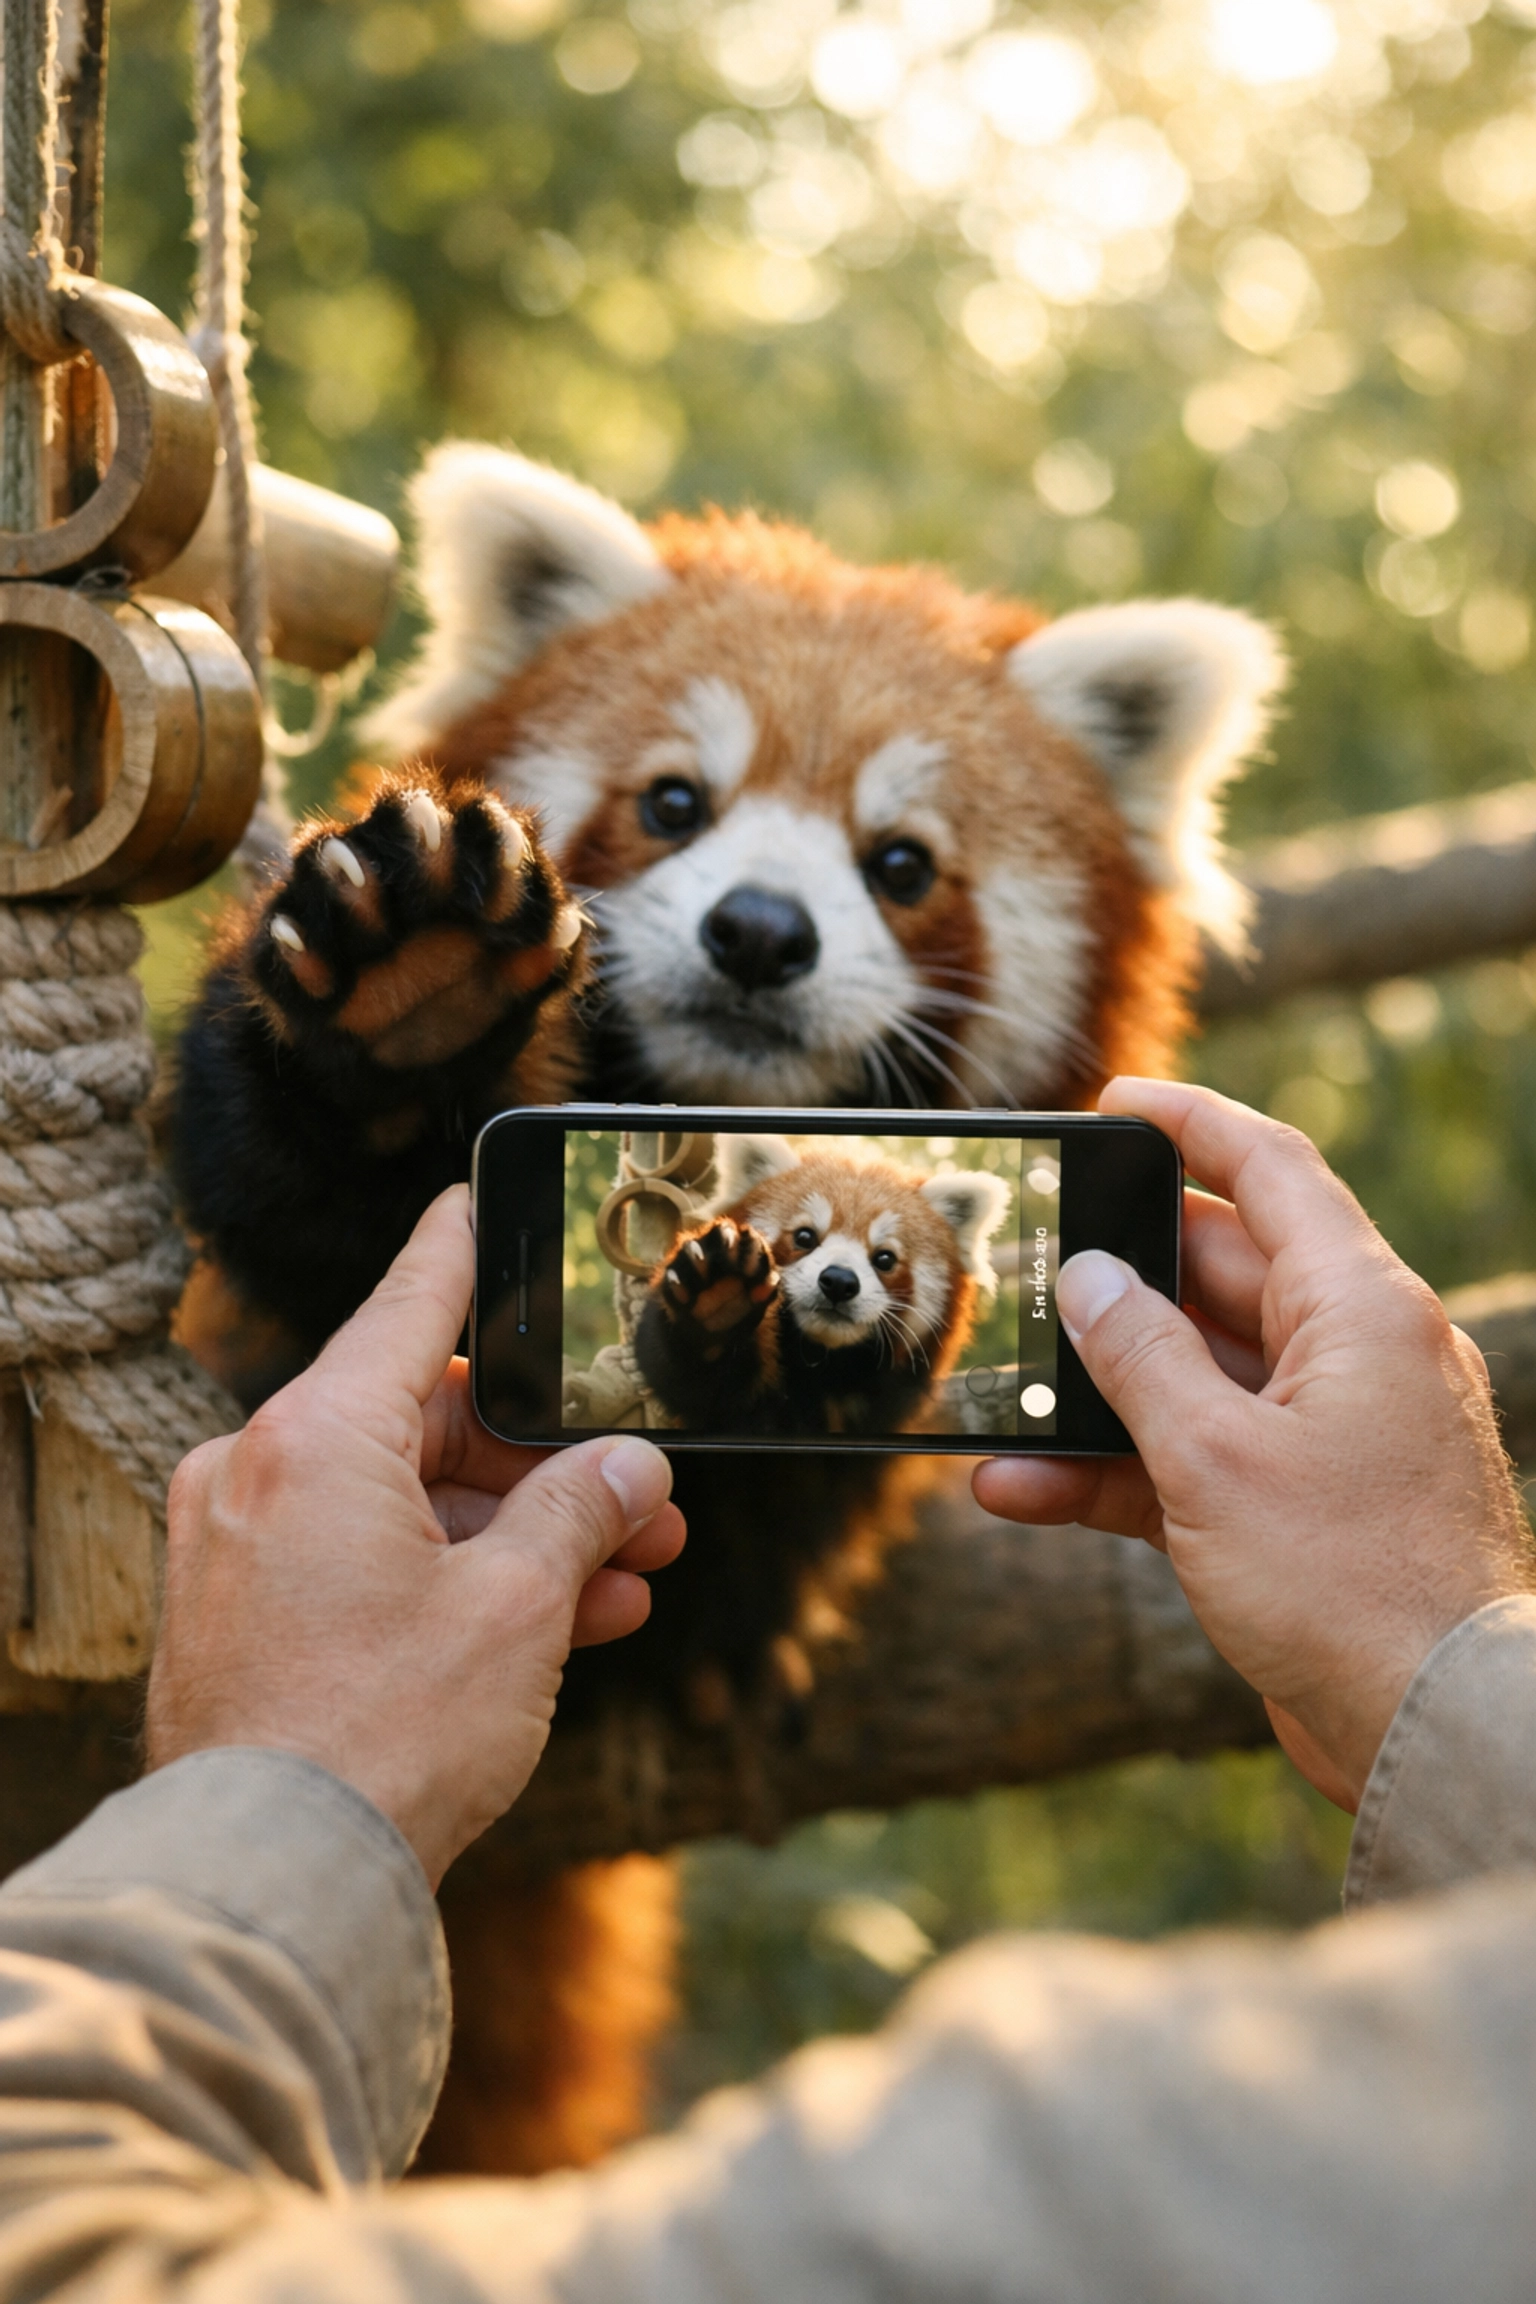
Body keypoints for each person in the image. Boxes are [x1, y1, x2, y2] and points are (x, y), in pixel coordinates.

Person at [0, 1080, 1532, 2301]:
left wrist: (278, 1776)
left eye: (877, 1260)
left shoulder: (1076, 2175)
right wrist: (1441, 1655)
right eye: (800, 1245)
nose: (844, 1270)